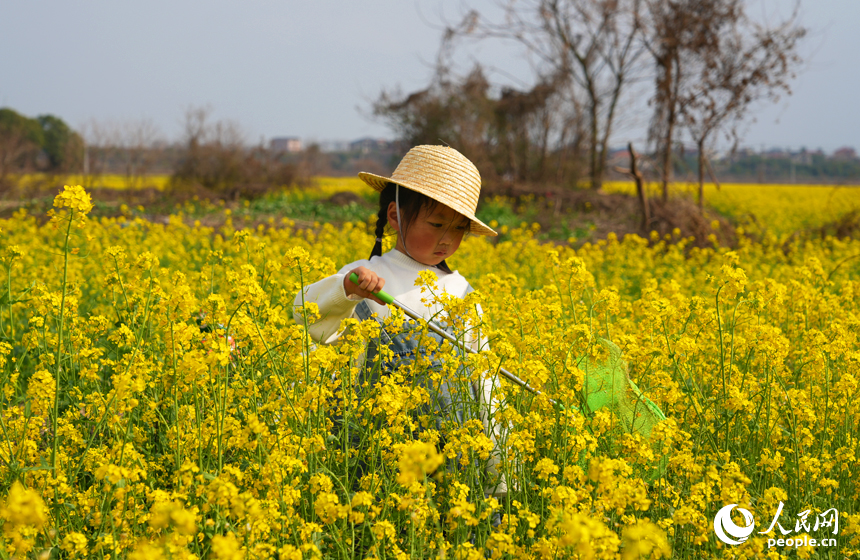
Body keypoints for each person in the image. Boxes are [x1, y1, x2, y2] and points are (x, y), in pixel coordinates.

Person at [292, 145, 507, 498]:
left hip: (451, 461)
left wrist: (500, 473)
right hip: (374, 459)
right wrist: (348, 289)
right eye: (436, 224)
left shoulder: (462, 292)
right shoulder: (367, 277)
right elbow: (306, 312)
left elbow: (485, 385)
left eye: (458, 229)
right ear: (395, 215)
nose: (447, 239)